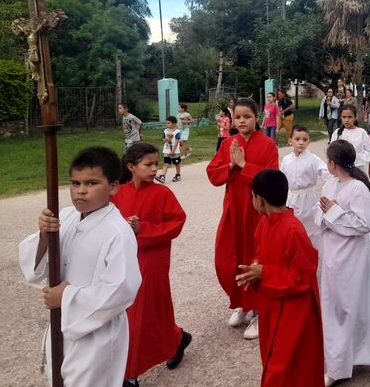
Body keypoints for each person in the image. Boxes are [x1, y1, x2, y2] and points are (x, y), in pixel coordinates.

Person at [18, 147, 141, 387]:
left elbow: (121, 289)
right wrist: (44, 235)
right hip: (63, 324)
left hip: (97, 335)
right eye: (75, 183)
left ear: (113, 187)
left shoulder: (118, 232)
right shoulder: (66, 217)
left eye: (91, 183)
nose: (81, 191)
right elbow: (38, 268)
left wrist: (66, 296)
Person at [236, 169, 325, 387]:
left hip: (294, 311)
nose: (252, 201)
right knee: (272, 358)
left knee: (286, 365)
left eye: (252, 196)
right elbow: (260, 254)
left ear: (260, 200)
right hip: (272, 302)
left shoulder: (293, 230)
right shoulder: (265, 222)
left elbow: (303, 276)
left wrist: (264, 273)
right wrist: (254, 270)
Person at [315, 141, 370, 386]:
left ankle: (344, 363)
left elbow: (364, 224)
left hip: (353, 257)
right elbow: (320, 214)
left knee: (350, 307)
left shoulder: (357, 188)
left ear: (333, 163)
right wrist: (327, 215)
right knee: (333, 305)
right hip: (332, 255)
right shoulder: (330, 183)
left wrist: (335, 213)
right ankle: (339, 358)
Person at [116, 143, 190, 386]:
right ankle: (177, 338)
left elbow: (177, 221)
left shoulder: (162, 194)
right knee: (139, 312)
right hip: (125, 260)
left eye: (156, 164)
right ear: (131, 167)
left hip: (153, 261)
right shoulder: (118, 193)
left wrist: (143, 229)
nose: (154, 169)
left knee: (138, 314)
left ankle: (130, 374)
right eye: (148, 165)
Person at [207, 98, 279, 340]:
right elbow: (213, 175)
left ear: (256, 118)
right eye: (238, 117)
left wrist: (245, 165)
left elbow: (272, 179)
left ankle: (259, 310)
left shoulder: (268, 144)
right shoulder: (228, 142)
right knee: (227, 257)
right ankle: (241, 302)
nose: (242, 121)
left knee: (255, 255)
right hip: (234, 209)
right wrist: (230, 165)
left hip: (258, 211)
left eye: (247, 116)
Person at [280, 125, 330, 247]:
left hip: (309, 197)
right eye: (297, 139)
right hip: (292, 197)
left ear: (309, 141)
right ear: (290, 140)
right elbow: (282, 179)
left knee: (311, 225)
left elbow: (326, 172)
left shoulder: (313, 159)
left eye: (304, 139)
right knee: (293, 224)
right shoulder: (286, 160)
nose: (301, 143)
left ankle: (312, 249)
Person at [331, 104, 370, 176]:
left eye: (349, 117)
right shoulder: (337, 133)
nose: (346, 120)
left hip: (358, 170)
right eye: (344, 117)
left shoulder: (361, 132)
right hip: (342, 170)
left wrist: (354, 157)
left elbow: (369, 153)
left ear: (355, 117)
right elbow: (332, 151)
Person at [155, 116, 182, 183]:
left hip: (175, 151)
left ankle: (178, 175)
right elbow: (163, 139)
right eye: (166, 123)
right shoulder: (165, 131)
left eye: (168, 123)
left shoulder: (177, 132)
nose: (167, 124)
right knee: (166, 163)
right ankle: (163, 176)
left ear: (174, 123)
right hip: (167, 150)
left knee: (176, 163)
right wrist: (166, 139)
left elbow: (177, 142)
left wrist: (173, 151)